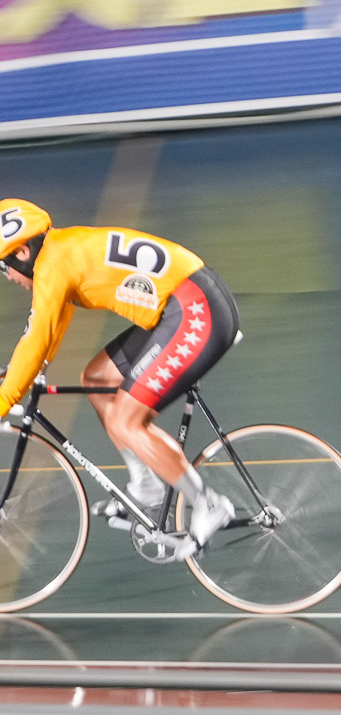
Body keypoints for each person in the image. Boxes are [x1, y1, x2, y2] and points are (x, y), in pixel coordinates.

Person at [0, 200, 240, 555]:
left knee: (128, 421)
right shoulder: (62, 250)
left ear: (22, 252)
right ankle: (146, 488)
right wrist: (20, 374)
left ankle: (208, 503)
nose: (8, 279)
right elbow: (50, 328)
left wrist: (5, 399)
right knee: (98, 379)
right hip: (189, 301)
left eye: (4, 269)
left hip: (194, 312)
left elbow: (37, 338)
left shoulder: (52, 267)